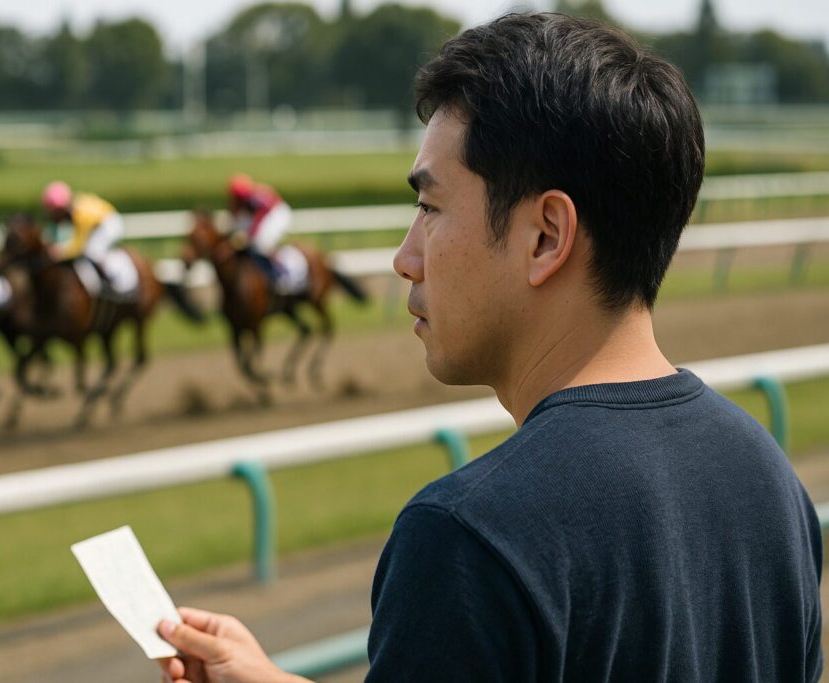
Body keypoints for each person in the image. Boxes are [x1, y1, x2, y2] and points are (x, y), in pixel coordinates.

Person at [155, 13, 823, 682]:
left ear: (545, 237)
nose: (404, 257)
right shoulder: (770, 482)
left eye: (431, 209)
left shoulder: (468, 539)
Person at [41, 180, 137, 297]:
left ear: (61, 209)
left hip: (109, 223)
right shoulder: (73, 207)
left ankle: (115, 281)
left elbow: (78, 246)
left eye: (54, 212)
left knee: (92, 251)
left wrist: (60, 252)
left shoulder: (80, 215)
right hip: (100, 222)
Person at [226, 174, 293, 285]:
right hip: (264, 213)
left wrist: (250, 234)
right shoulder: (241, 200)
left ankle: (280, 271)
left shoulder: (254, 197)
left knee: (261, 242)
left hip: (276, 213)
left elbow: (260, 216)